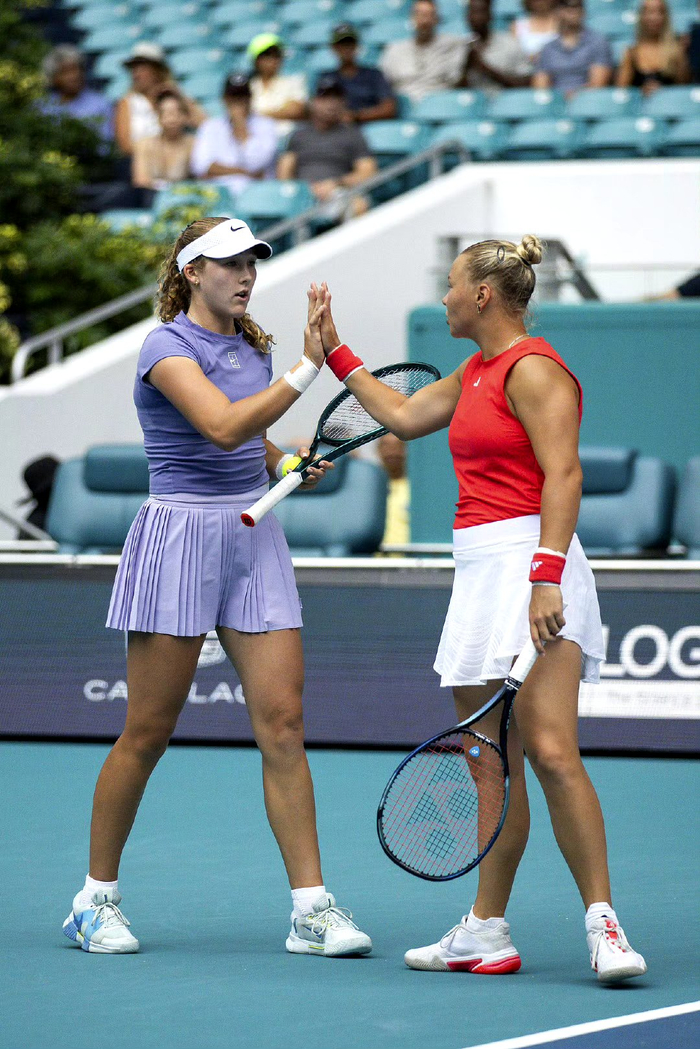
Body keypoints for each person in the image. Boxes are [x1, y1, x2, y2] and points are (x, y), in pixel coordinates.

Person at [312, 237, 647, 984]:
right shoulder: (473, 372)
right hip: (479, 572)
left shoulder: (535, 369)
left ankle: (605, 926)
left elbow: (564, 473)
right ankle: (486, 930)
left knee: (553, 752)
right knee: (487, 763)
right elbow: (401, 416)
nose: (445, 298)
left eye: (452, 286)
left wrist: (546, 577)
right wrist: (335, 350)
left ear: (484, 295)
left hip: (535, 564)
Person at [61, 216, 372, 958]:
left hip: (252, 542)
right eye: (230, 263)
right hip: (179, 539)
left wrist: (285, 462)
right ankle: (93, 900)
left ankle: (311, 909)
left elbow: (249, 443)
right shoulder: (164, 347)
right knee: (147, 732)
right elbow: (221, 427)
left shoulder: (251, 347)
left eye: (253, 263)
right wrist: (307, 369)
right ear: (192, 271)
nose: (246, 275)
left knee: (284, 724)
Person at [277, 74, 377, 220]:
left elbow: (368, 172)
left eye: (336, 98)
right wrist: (300, 190)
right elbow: (284, 172)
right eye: (325, 98)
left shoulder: (352, 134)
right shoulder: (298, 134)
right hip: (302, 194)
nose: (331, 103)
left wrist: (336, 184)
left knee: (358, 205)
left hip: (337, 192)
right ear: (313, 102)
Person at [190, 74, 278, 197]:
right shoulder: (210, 126)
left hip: (256, 194)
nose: (238, 103)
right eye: (233, 98)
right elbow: (201, 167)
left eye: (242, 97)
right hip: (218, 193)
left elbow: (257, 163)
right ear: (225, 99)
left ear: (250, 98)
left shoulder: (266, 125)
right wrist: (243, 172)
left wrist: (242, 129)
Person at [115, 42, 205, 157]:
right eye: (134, 69)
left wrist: (178, 94)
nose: (136, 74)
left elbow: (204, 125)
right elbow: (125, 146)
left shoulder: (176, 96)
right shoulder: (128, 102)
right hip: (141, 161)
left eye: (143, 68)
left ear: (158, 70)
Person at [380, 0, 467, 102]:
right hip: (403, 105)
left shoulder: (452, 45)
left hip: (440, 104)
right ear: (412, 18)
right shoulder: (394, 49)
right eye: (420, 14)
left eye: (430, 15)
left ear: (437, 19)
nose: (425, 21)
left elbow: (458, 81)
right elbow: (383, 84)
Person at [321, 22, 397, 123]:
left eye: (349, 43)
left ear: (356, 45)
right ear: (334, 48)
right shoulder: (326, 78)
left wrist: (356, 116)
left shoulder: (374, 75)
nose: (346, 48)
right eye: (341, 44)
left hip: (368, 127)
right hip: (336, 128)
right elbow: (317, 109)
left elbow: (389, 108)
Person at [533, 0, 613, 94]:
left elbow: (597, 84)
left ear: (583, 11)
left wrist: (574, 94)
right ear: (558, 12)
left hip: (588, 99)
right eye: (566, 7)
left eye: (577, 7)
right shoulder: (548, 48)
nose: (573, 12)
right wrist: (558, 98)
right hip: (556, 100)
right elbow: (541, 86)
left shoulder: (598, 42)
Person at [41, 45, 114, 143]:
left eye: (77, 69)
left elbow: (106, 144)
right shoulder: (42, 107)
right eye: (66, 71)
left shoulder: (101, 104)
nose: (74, 76)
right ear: (53, 78)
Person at [615, 0, 690, 93]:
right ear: (641, 16)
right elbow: (621, 91)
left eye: (660, 12)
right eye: (649, 12)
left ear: (666, 16)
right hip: (640, 102)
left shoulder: (677, 49)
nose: (654, 17)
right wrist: (640, 92)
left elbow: (684, 90)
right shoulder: (631, 53)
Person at [131, 90, 194, 197]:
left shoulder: (194, 144)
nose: (172, 119)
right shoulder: (144, 144)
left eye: (177, 113)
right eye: (166, 113)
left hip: (184, 197)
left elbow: (203, 178)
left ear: (185, 116)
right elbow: (140, 180)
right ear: (158, 116)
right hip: (151, 198)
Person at [459, 0, 533, 91]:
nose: (477, 17)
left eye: (481, 12)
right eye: (473, 13)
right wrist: (466, 67)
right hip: (473, 99)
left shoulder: (510, 44)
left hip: (506, 98)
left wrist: (484, 68)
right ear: (467, 18)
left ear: (490, 15)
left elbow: (526, 82)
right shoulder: (461, 47)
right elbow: (454, 91)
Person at [247, 32, 308, 138]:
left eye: (277, 55)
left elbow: (295, 110)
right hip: (257, 139)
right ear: (256, 60)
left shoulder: (293, 82)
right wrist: (279, 111)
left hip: (287, 138)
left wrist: (258, 114)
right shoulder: (248, 86)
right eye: (266, 55)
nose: (272, 60)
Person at [377, 433, 410, 548]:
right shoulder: (370, 491)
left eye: (399, 446)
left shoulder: (417, 490)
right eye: (386, 446)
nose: (392, 452)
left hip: (411, 556)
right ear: (378, 450)